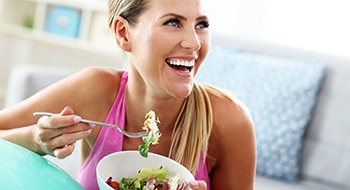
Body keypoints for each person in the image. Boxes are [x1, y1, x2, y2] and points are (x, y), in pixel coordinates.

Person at [0, 0, 256, 189]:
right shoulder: (96, 89)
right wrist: (36, 140)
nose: (194, 43)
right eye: (173, 22)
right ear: (123, 33)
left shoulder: (229, 120)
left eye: (201, 25)